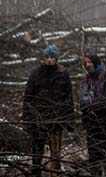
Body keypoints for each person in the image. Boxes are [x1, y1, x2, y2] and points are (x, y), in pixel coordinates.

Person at [22, 45, 73, 177]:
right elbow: (28, 97)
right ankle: (36, 173)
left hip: (56, 119)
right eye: (47, 57)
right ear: (44, 58)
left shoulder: (63, 74)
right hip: (39, 118)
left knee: (56, 153)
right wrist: (27, 119)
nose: (49, 60)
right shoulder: (36, 74)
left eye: (52, 57)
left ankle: (54, 174)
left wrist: (68, 119)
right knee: (37, 152)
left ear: (56, 58)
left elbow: (69, 97)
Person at [78, 54, 106, 177]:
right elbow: (83, 100)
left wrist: (91, 105)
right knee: (94, 156)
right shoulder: (87, 81)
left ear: (96, 63)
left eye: (89, 63)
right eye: (85, 64)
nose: (87, 66)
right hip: (92, 124)